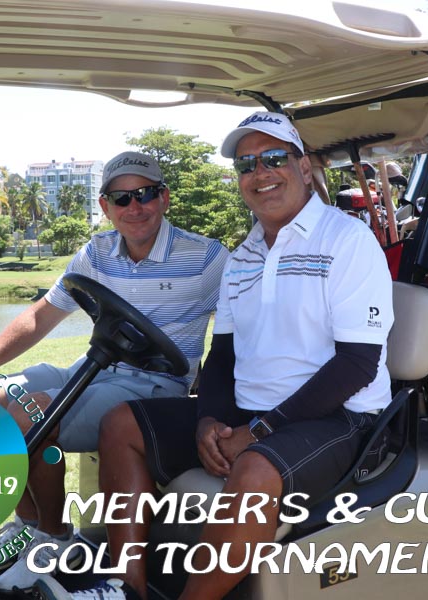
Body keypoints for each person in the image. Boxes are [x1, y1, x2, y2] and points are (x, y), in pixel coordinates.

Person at [34, 112, 394, 600]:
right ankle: (126, 587)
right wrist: (209, 421)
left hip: (339, 417)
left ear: (304, 168)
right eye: (247, 164)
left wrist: (259, 430)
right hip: (252, 411)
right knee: (121, 424)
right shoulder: (243, 256)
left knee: (255, 468)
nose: (260, 173)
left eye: (274, 158)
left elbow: (357, 364)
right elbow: (221, 356)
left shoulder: (347, 240)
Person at [0, 151, 229, 594]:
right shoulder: (96, 252)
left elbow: (243, 328)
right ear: (105, 206)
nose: (134, 207)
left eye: (145, 194)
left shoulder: (207, 258)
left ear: (164, 198)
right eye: (121, 198)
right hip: (93, 369)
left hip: (155, 386)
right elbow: (41, 316)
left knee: (30, 415)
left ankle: (55, 536)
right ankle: (29, 526)